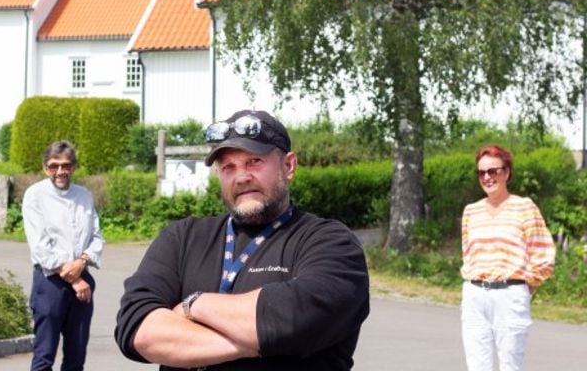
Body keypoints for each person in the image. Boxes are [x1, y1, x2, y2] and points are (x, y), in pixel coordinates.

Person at [115, 110, 370, 370]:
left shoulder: (331, 243)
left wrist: (193, 305)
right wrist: (259, 341)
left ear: (288, 166)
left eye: (254, 162)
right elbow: (139, 330)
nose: (241, 177)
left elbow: (295, 318)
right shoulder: (182, 237)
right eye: (228, 167)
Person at [460, 144, 556, 371]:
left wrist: (523, 289)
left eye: (493, 171)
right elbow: (468, 254)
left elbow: (543, 254)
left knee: (511, 366)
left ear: (507, 172)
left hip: (510, 295)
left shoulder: (524, 207)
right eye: (481, 172)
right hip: (474, 295)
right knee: (477, 367)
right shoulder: (471, 211)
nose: (487, 177)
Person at [22, 140, 104, 371]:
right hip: (50, 283)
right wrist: (74, 278)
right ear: (45, 167)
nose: (60, 171)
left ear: (74, 167)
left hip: (82, 279)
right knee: (44, 356)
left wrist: (83, 262)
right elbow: (40, 245)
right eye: (54, 165)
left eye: (66, 165)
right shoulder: (35, 195)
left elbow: (97, 236)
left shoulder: (84, 195)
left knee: (76, 356)